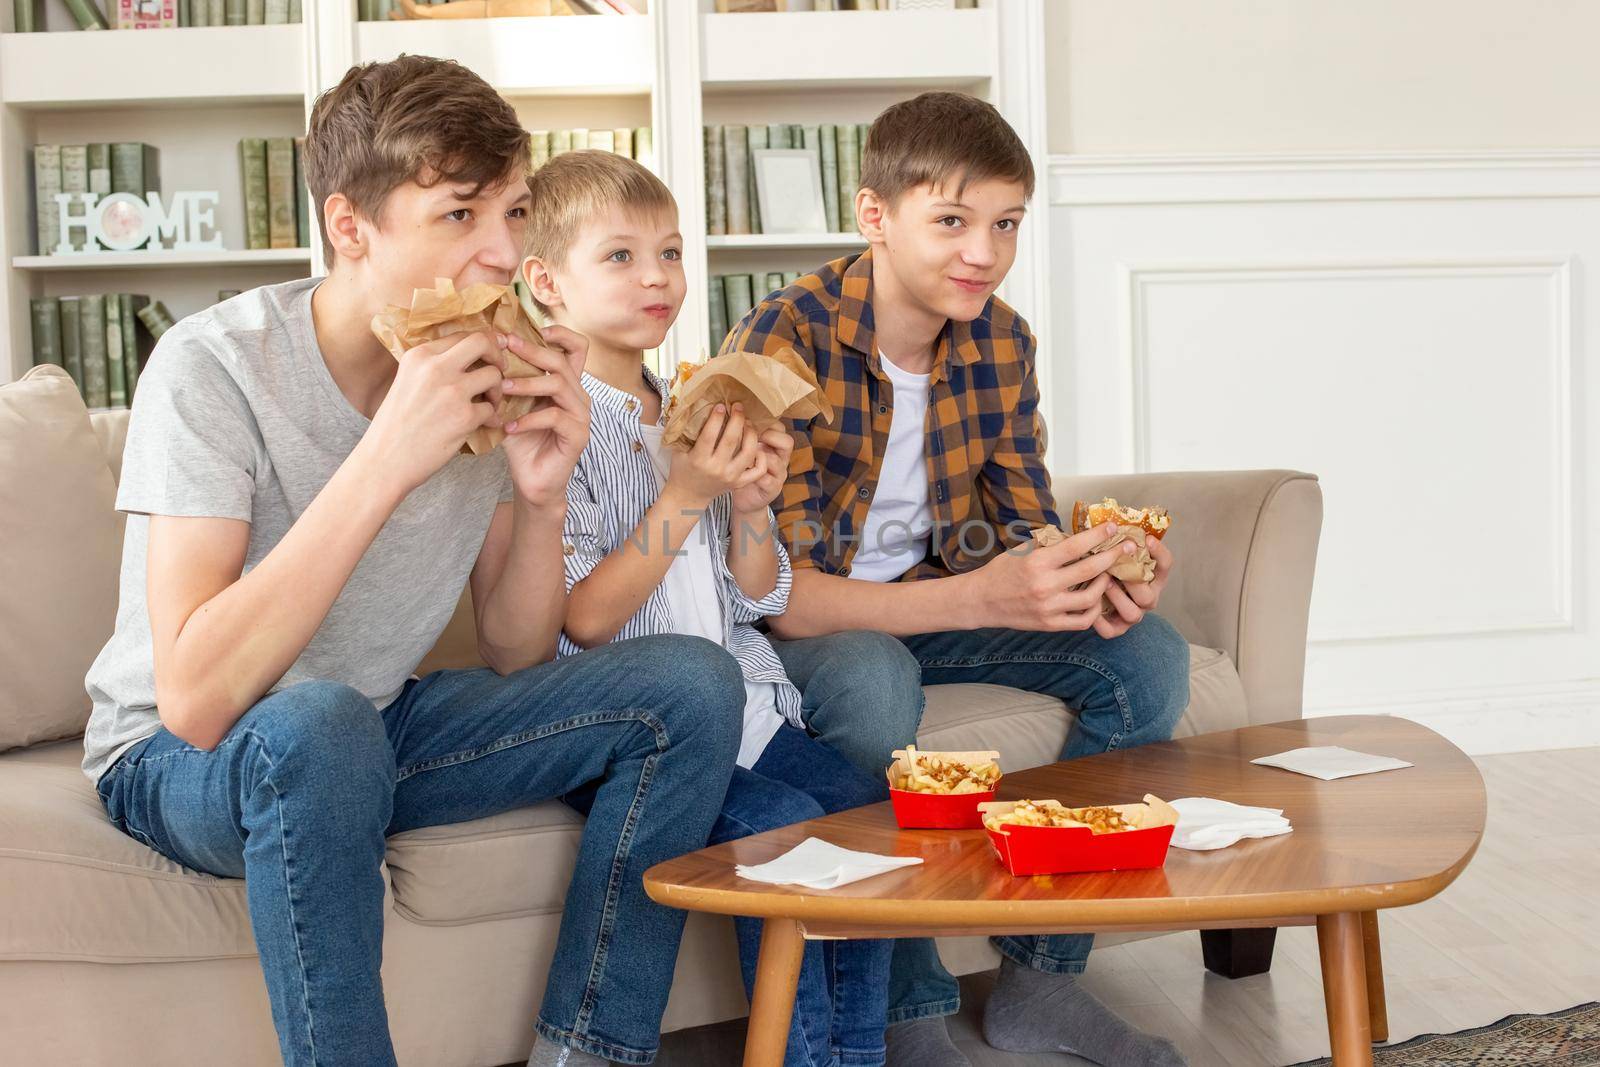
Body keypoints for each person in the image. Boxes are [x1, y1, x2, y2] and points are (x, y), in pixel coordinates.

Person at [81, 56, 744, 1067]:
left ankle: (593, 1050)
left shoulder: (496, 360)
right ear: (351, 228)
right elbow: (196, 699)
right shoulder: (213, 365)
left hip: (376, 722)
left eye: (514, 212)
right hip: (184, 758)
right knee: (319, 719)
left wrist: (539, 490)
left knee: (693, 683)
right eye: (458, 215)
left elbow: (520, 653)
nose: (500, 253)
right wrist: (389, 452)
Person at [723, 90, 1191, 1067]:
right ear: (874, 216)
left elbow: (1018, 521)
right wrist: (978, 595)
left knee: (1142, 656)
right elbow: (775, 593)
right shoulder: (782, 341)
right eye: (951, 221)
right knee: (868, 678)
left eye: (1005, 223)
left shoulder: (999, 341)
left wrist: (1087, 572)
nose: (982, 251)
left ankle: (1041, 981)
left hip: (937, 608)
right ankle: (911, 1014)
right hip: (810, 632)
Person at [522, 148, 895, 1067]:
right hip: (640, 731)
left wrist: (753, 505)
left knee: (869, 822)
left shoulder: (695, 403)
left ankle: (857, 1058)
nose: (657, 276)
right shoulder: (556, 423)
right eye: (619, 256)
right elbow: (582, 618)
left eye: (672, 252)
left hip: (752, 710)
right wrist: (685, 493)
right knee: (785, 837)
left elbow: (758, 593)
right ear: (545, 283)